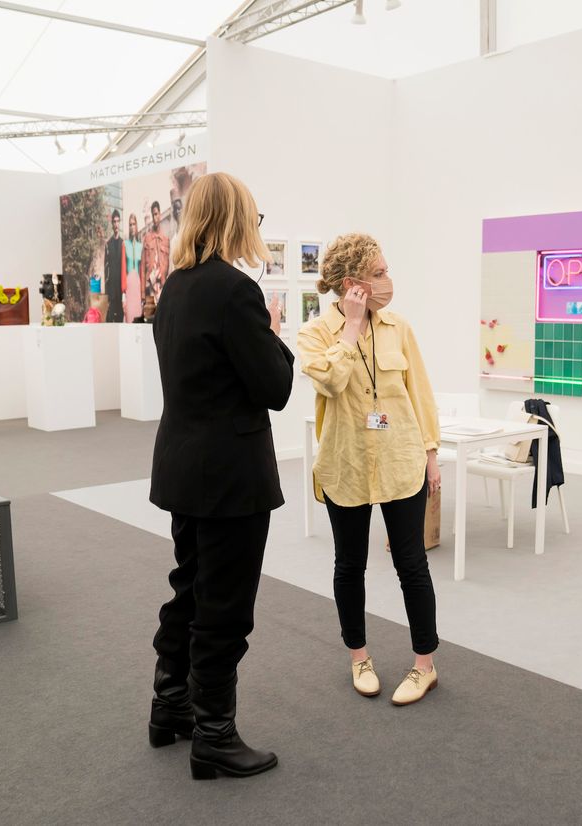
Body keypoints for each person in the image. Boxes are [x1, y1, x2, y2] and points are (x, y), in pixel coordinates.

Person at [147, 172, 293, 780]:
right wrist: (276, 335)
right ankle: (214, 733)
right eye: (255, 220)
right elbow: (276, 388)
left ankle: (171, 705)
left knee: (191, 587)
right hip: (230, 476)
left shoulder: (174, 288)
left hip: (184, 468)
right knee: (225, 606)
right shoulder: (237, 293)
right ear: (238, 219)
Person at [296, 233, 442, 706]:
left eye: (386, 270)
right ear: (352, 283)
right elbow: (334, 381)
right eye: (378, 273)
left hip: (400, 459)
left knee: (411, 564)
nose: (388, 281)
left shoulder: (400, 328)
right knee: (350, 565)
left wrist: (431, 453)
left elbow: (420, 393)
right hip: (346, 463)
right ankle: (359, 656)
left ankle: (425, 665)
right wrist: (353, 328)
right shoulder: (315, 334)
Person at [142, 201, 171, 304]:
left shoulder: (166, 239)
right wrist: (142, 294)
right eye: (153, 215)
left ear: (159, 214)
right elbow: (142, 268)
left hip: (163, 287)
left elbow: (169, 267)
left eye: (156, 214)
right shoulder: (147, 238)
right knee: (151, 317)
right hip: (150, 287)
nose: (155, 218)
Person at [104, 209, 124, 323]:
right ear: (112, 224)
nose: (116, 224)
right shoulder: (108, 244)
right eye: (114, 222)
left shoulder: (123, 243)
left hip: (120, 290)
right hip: (111, 291)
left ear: (119, 223)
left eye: (118, 221)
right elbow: (105, 269)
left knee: (120, 320)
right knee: (110, 320)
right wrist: (107, 293)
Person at [123, 213, 144, 323]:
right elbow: (123, 271)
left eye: (134, 224)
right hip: (129, 287)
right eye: (130, 224)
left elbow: (142, 271)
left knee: (138, 318)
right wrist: (123, 294)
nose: (132, 227)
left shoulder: (141, 246)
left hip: (138, 287)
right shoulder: (125, 244)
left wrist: (143, 294)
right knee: (129, 318)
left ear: (137, 226)